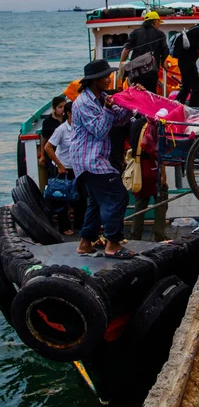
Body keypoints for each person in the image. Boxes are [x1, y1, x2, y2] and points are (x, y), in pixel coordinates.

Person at [70, 59, 136, 259]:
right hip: (88, 160)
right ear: (94, 80)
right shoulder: (82, 103)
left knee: (97, 202)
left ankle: (84, 243)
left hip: (95, 158)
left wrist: (131, 99)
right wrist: (109, 109)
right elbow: (100, 131)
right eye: (105, 76)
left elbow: (119, 119)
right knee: (118, 196)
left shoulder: (102, 97)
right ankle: (112, 244)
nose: (109, 79)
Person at [44, 102, 86, 234]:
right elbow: (48, 147)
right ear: (69, 114)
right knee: (62, 198)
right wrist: (60, 165)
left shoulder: (81, 127)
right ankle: (64, 227)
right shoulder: (61, 129)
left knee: (81, 197)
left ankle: (80, 224)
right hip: (64, 167)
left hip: (79, 168)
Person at [119, 11, 169, 93]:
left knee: (136, 93)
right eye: (159, 22)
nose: (159, 24)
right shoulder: (160, 34)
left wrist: (121, 65)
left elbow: (126, 50)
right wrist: (163, 62)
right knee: (150, 94)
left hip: (136, 72)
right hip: (151, 72)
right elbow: (165, 51)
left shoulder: (135, 32)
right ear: (154, 21)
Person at [39, 96, 66, 172]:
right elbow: (44, 139)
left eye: (64, 106)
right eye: (60, 107)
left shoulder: (67, 119)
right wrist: (42, 156)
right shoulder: (47, 121)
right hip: (52, 151)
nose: (63, 109)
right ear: (54, 108)